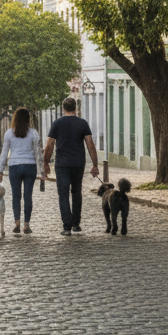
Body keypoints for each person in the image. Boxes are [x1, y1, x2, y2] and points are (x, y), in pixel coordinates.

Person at [42, 97, 99, 236]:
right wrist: (95, 164)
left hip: (62, 164)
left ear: (63, 108)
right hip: (78, 163)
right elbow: (90, 144)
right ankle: (76, 224)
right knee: (76, 192)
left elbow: (49, 145)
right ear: (76, 108)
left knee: (63, 194)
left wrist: (45, 163)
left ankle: (66, 227)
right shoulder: (82, 123)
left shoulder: (57, 124)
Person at [0, 107, 42, 235]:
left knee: (16, 197)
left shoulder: (9, 133)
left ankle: (17, 223)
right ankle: (26, 225)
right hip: (30, 166)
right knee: (28, 197)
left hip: (14, 166)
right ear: (28, 119)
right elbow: (38, 153)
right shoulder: (34, 133)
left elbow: (4, 153)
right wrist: (42, 171)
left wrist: (0, 171)